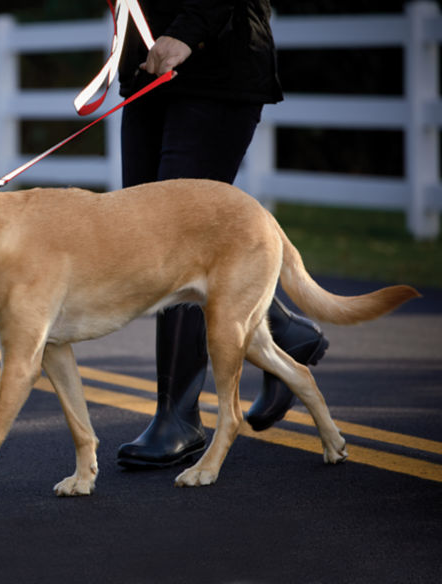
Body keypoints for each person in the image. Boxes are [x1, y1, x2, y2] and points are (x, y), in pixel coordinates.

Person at [115, 0, 329, 469]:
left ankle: (179, 416)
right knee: (148, 241)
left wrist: (188, 32)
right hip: (147, 71)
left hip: (213, 67)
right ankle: (287, 334)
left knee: (179, 245)